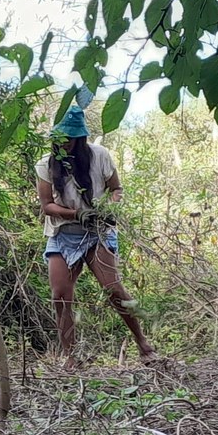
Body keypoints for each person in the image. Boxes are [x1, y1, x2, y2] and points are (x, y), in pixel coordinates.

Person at [37, 105, 155, 370]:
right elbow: (47, 205)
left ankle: (143, 344)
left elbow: (116, 189)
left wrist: (107, 209)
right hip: (62, 234)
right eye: (60, 139)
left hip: (97, 232)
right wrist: (76, 214)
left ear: (80, 139)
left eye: (70, 139)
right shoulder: (46, 164)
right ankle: (70, 356)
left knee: (113, 289)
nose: (64, 144)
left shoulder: (100, 155)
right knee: (60, 295)